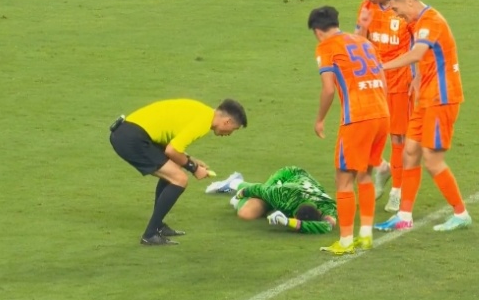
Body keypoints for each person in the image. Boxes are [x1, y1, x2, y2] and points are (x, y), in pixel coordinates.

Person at [372, 0, 473, 232]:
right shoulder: (417, 22)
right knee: (410, 151)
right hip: (425, 98)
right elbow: (426, 57)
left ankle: (461, 214)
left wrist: (382, 67)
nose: (397, 15)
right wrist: (417, 77)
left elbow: (417, 53)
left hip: (442, 98)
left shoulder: (431, 21)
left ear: (409, 1)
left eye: (397, 9)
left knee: (432, 160)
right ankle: (404, 215)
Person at [109, 98, 248, 245]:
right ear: (227, 121)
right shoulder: (203, 122)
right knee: (180, 179)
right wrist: (194, 169)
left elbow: (172, 146)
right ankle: (150, 235)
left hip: (129, 131)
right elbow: (172, 150)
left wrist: (190, 159)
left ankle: (157, 226)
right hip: (132, 138)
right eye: (233, 129)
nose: (230, 134)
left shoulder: (203, 112)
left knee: (174, 169)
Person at [309, 6, 390, 254]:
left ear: (317, 31)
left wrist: (319, 119)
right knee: (364, 174)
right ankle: (365, 235)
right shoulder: (364, 42)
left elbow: (328, 89)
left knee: (343, 180)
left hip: (357, 118)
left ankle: (345, 241)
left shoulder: (326, 47)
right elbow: (383, 78)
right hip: (382, 113)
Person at [355, 0, 417, 212]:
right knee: (368, 130)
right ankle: (382, 167)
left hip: (400, 81)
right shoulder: (367, 7)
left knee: (397, 137)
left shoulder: (402, 10)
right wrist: (362, 26)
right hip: (374, 81)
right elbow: (360, 41)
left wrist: (417, 76)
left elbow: (420, 44)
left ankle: (397, 191)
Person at [205, 166, 337, 234]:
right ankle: (235, 182)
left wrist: (288, 222)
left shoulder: (328, 206)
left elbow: (327, 226)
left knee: (260, 210)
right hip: (287, 177)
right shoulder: (283, 195)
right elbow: (260, 189)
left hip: (301, 186)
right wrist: (241, 193)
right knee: (246, 213)